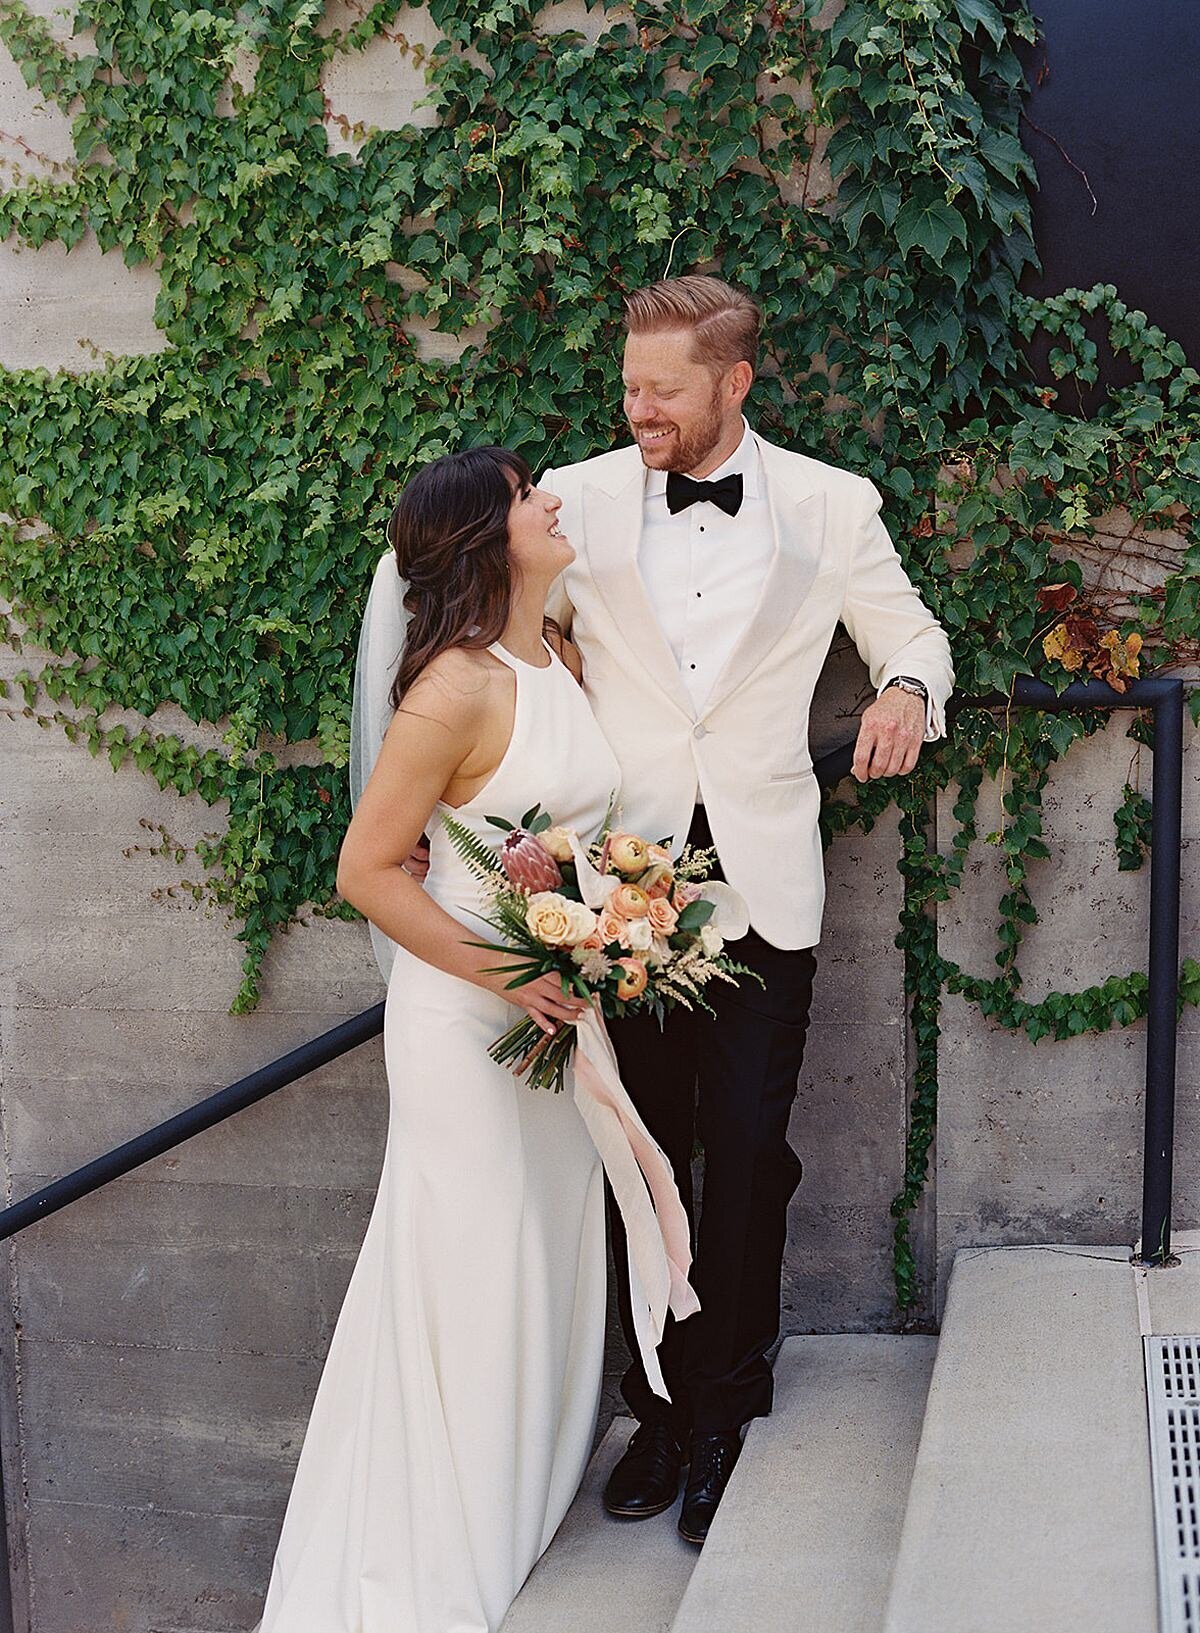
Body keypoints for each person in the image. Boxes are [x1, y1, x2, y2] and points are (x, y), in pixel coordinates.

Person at [538, 274, 955, 1543]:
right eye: (628, 385)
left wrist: (901, 697)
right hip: (623, 887)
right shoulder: (580, 493)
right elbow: (519, 637)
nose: (637, 408)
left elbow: (916, 638)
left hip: (762, 882)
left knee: (749, 1151)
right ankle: (657, 1407)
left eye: (662, 390)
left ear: (736, 383)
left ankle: (726, 1406)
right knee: (644, 1152)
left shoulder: (832, 505)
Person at [253, 447, 633, 1633]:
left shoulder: (557, 657)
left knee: (546, 1255)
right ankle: (434, 1555)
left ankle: (516, 1506)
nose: (554, 500)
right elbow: (366, 869)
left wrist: (613, 924)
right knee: (470, 1267)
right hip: (469, 1015)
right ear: (484, 536)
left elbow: (551, 832)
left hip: (553, 1006)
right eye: (529, 496)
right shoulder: (452, 690)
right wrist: (511, 973)